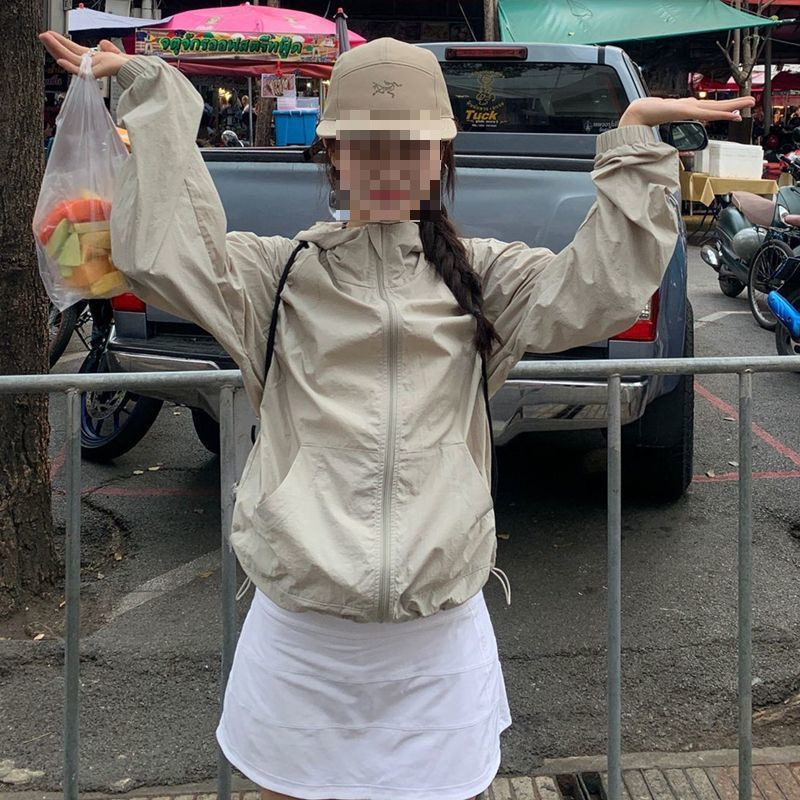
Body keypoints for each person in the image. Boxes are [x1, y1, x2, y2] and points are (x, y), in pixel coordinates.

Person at [40, 31, 753, 800]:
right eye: (364, 144)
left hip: (436, 641)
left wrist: (635, 142)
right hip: (302, 635)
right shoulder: (274, 278)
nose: (386, 164)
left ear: (438, 159)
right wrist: (151, 91)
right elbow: (163, 250)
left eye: (408, 147)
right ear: (333, 156)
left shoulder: (485, 278)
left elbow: (604, 289)